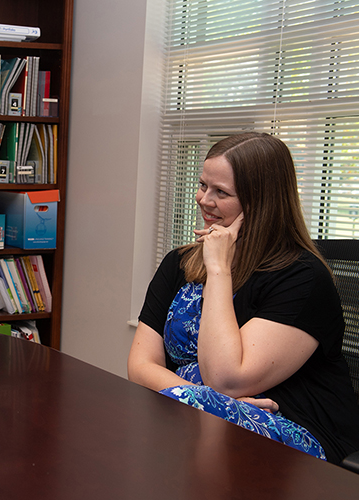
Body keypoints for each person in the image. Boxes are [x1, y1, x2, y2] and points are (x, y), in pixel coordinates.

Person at [127, 132, 359, 465]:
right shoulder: (179, 262)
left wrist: (219, 271)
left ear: (260, 202)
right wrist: (205, 400)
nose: (204, 200)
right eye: (203, 185)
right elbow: (141, 365)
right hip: (205, 416)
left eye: (221, 192)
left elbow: (226, 378)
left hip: (293, 430)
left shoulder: (303, 278)